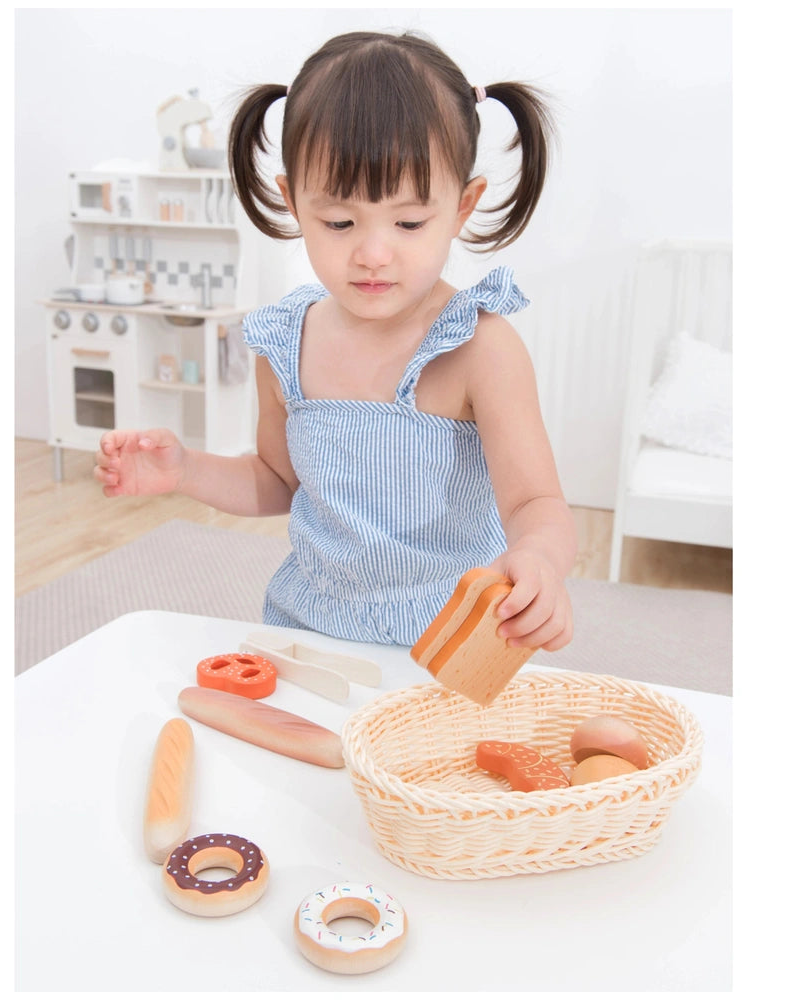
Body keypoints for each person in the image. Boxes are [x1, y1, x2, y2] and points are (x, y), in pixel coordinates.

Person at [94, 30, 577, 653]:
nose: (373, 254)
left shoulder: (480, 348)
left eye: (409, 222)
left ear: (462, 207)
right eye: (339, 222)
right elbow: (277, 481)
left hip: (451, 646)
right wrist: (185, 469)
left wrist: (538, 558)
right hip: (306, 635)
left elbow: (537, 499)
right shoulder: (284, 342)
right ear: (292, 200)